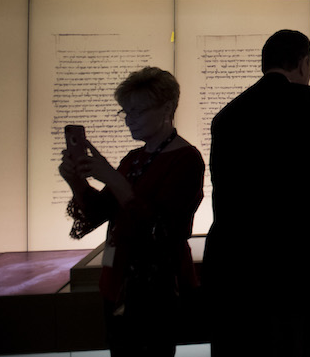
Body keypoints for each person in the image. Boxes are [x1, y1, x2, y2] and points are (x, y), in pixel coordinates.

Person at [204, 29, 310, 357]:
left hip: (236, 274)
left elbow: (223, 202)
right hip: (299, 274)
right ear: (303, 63)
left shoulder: (226, 116)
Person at [59, 66, 205, 357]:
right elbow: (98, 213)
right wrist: (76, 181)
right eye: (125, 112)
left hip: (156, 287)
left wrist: (112, 177)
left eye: (137, 111)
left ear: (167, 108)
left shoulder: (186, 159)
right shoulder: (134, 158)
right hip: (118, 282)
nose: (129, 120)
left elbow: (161, 229)